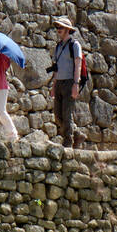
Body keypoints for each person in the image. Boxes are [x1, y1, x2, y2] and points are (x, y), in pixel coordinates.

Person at [49, 16, 82, 148]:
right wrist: (54, 85)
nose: (58, 30)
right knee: (58, 116)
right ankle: (78, 134)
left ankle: (68, 143)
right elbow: (56, 67)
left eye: (61, 27)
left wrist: (76, 84)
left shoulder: (74, 45)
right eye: (57, 27)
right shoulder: (58, 47)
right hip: (60, 83)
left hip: (69, 82)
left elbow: (78, 65)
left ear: (68, 29)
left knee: (67, 114)